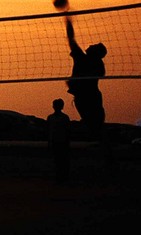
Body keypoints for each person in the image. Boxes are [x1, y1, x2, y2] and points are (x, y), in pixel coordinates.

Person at [65, 16, 111, 167]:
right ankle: (101, 151)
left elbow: (71, 39)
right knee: (95, 123)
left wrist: (68, 21)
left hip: (85, 97)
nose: (90, 45)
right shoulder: (99, 64)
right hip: (91, 96)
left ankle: (99, 156)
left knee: (93, 124)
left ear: (95, 52)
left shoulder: (82, 58)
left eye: (94, 45)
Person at [47, 98, 71, 184]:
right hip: (57, 141)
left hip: (61, 142)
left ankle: (62, 177)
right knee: (58, 161)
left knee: (61, 161)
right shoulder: (57, 118)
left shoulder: (62, 118)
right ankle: (59, 177)